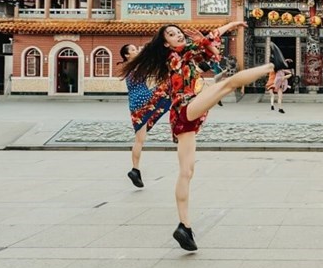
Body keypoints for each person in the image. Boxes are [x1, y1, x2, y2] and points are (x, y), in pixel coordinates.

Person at [121, 22, 282, 251]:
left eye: (179, 33)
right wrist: (231, 25)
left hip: (185, 117)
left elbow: (206, 47)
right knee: (229, 84)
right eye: (172, 35)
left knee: (186, 172)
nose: (178, 36)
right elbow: (208, 39)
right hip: (186, 109)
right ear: (166, 43)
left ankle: (183, 227)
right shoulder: (176, 55)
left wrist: (221, 33)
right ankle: (272, 66)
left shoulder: (182, 56)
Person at [119, 43, 171, 189]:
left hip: (134, 105)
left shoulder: (128, 67)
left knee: (139, 140)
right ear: (127, 55)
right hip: (144, 99)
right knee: (168, 87)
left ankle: (135, 170)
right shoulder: (135, 65)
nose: (136, 51)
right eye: (133, 50)